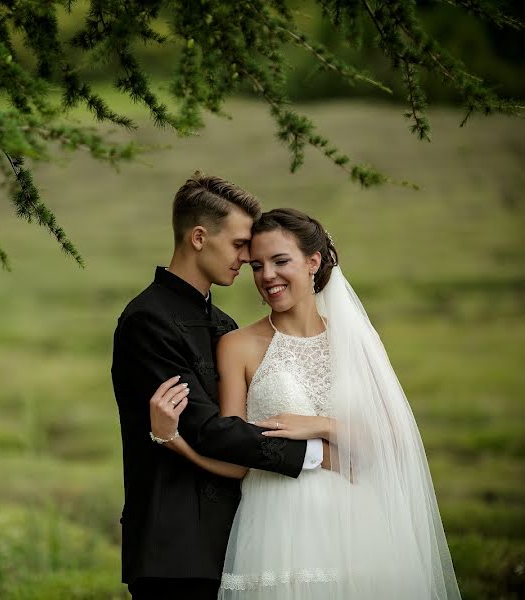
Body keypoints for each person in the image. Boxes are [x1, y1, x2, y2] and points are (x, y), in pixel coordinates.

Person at [152, 208, 461, 599]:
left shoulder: (356, 343)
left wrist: (322, 425)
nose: (267, 276)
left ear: (313, 261)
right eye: (257, 266)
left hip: (359, 527)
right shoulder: (237, 346)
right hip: (275, 530)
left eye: (281, 261)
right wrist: (172, 440)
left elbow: (394, 447)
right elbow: (233, 458)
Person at [111, 175, 332, 600]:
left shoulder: (224, 326)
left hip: (236, 540)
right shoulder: (147, 321)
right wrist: (317, 451)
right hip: (174, 548)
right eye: (238, 244)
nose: (247, 257)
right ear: (198, 237)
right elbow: (207, 429)